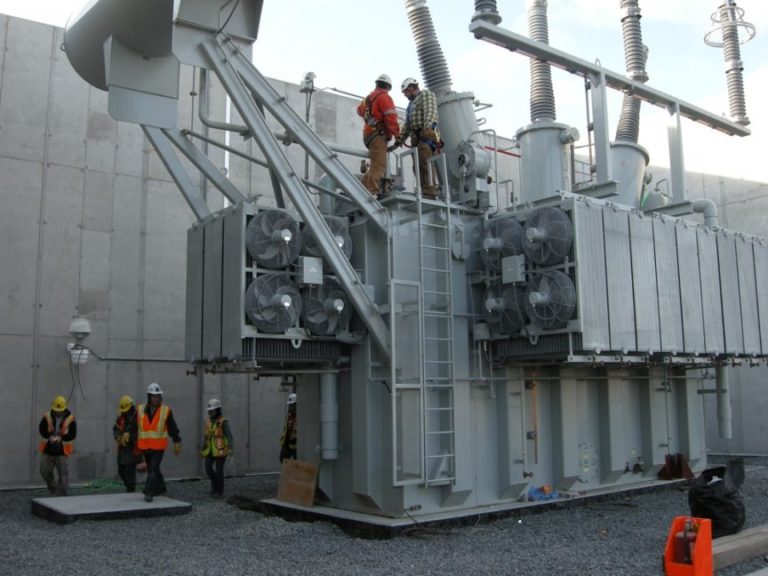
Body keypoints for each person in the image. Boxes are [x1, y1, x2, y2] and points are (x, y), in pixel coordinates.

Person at [356, 74, 400, 198]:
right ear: (388, 87)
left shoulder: (368, 99)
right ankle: (371, 192)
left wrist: (372, 116)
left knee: (375, 164)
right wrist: (397, 134)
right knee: (379, 165)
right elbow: (391, 117)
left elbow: (359, 110)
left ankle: (363, 189)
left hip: (368, 134)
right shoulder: (384, 97)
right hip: (378, 135)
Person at [137, 382, 181, 502]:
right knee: (154, 469)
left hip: (158, 447)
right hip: (145, 446)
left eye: (158, 396)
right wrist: (128, 434)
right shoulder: (140, 409)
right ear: (149, 397)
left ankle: (148, 492)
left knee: (153, 468)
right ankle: (161, 487)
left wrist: (177, 441)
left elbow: (172, 427)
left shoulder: (166, 411)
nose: (156, 399)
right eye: (154, 396)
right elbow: (135, 425)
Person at [398, 77, 440, 198]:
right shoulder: (410, 105)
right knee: (416, 165)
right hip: (416, 137)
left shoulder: (425, 94)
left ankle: (430, 191)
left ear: (411, 88)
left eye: (405, 92)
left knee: (425, 162)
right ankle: (423, 189)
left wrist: (427, 128)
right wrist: (399, 140)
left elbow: (430, 111)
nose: (405, 95)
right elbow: (407, 125)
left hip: (425, 134)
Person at [38, 395, 77, 496]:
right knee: (44, 471)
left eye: (60, 410)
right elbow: (41, 429)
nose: (58, 412)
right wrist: (49, 436)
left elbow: (73, 434)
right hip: (48, 449)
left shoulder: (70, 418)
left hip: (62, 450)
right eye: (56, 410)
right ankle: (53, 488)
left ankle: (62, 493)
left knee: (63, 473)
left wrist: (61, 438)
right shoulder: (47, 416)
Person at [200, 398, 234, 498]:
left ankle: (219, 491)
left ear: (218, 410)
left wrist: (231, 448)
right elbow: (206, 436)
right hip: (210, 450)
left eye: (212, 410)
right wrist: (203, 449)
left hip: (221, 451)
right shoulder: (208, 422)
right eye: (209, 411)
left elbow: (229, 436)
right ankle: (215, 483)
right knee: (208, 468)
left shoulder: (223, 421)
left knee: (219, 471)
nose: (210, 412)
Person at [112, 395, 142, 492]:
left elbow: (141, 433)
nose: (124, 412)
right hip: (122, 450)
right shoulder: (121, 416)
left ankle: (131, 491)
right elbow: (115, 428)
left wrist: (130, 437)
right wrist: (119, 437)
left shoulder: (138, 417)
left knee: (129, 472)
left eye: (126, 409)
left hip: (132, 450)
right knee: (121, 471)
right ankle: (129, 489)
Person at [279, 393, 297, 463]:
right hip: (286, 444)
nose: (290, 407)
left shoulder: (300, 415)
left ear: (296, 404)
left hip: (295, 446)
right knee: (282, 459)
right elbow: (286, 429)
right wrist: (283, 444)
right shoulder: (289, 415)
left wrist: (296, 438)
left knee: (297, 462)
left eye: (292, 405)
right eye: (290, 405)